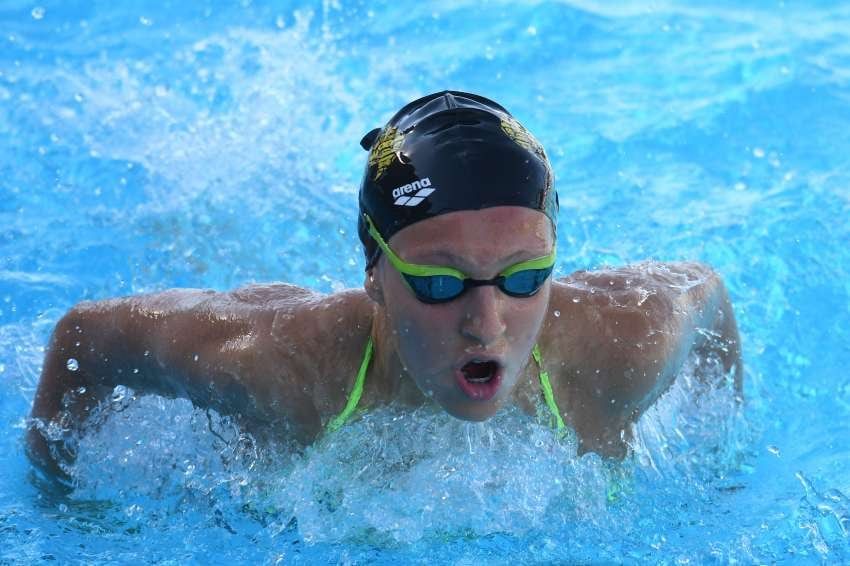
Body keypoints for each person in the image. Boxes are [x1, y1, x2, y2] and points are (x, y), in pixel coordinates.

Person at [26, 91, 742, 482]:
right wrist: (58, 493)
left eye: (525, 277)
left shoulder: (624, 344)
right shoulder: (277, 366)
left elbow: (708, 293)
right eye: (439, 283)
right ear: (374, 271)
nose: (486, 323)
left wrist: (722, 452)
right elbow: (86, 334)